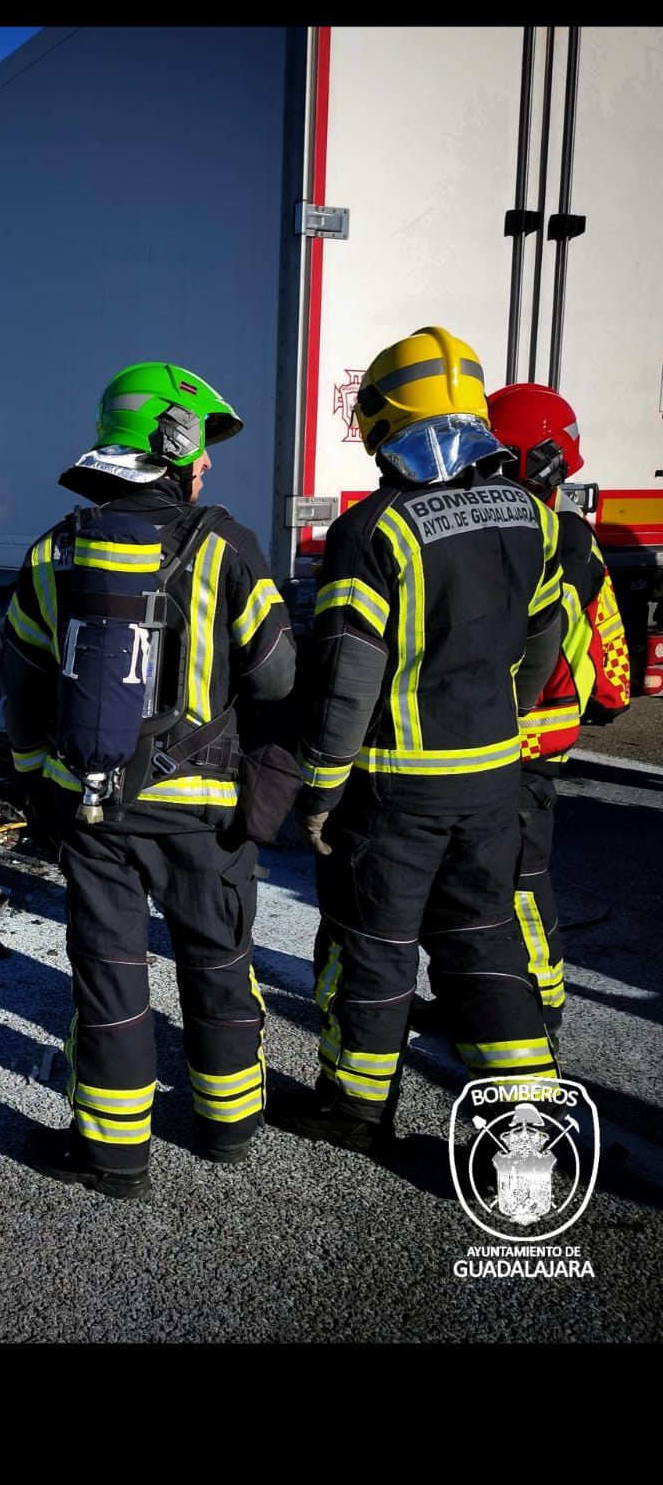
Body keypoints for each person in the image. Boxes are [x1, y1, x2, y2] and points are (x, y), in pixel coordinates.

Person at [2, 362, 295, 1198]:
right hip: (203, 812)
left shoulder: (55, 548)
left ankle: (114, 1153)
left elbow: (22, 679)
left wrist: (38, 785)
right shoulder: (225, 545)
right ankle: (230, 1125)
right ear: (174, 447)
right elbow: (276, 678)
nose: (208, 465)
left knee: (109, 973)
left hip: (94, 807)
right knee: (217, 961)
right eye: (202, 449)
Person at [274, 327, 565, 1158]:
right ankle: (526, 1136)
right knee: (484, 940)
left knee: (377, 945)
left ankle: (355, 1108)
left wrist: (322, 788)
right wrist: (497, 716)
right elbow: (541, 649)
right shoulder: (532, 519)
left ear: (382, 423)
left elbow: (346, 681)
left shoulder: (374, 531)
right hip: (492, 776)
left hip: (398, 788)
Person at [410, 382, 630, 1038]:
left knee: (516, 881)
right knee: (482, 883)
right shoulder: (570, 535)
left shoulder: (513, 535)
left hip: (511, 744)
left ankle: (540, 1003)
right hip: (524, 742)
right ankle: (474, 998)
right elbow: (609, 642)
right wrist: (602, 701)